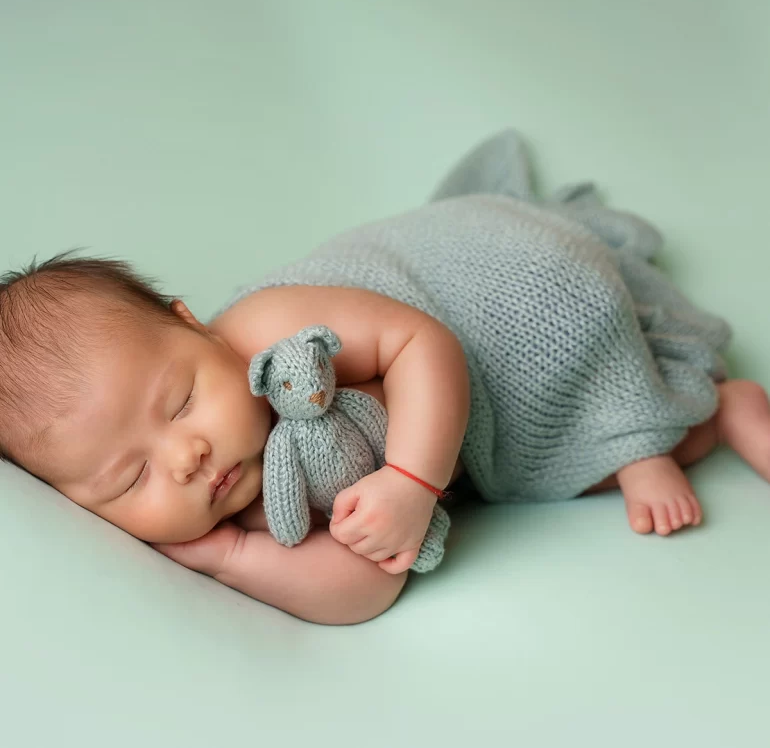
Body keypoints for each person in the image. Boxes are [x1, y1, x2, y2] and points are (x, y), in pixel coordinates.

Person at [2, 132, 768, 625]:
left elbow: (420, 340)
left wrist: (410, 480)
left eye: (181, 401)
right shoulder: (228, 517)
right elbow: (369, 587)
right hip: (465, 431)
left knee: (551, 403)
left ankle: (673, 416)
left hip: (486, 294)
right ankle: (715, 419)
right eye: (128, 478)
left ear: (194, 323)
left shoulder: (268, 333)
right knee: (538, 469)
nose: (185, 458)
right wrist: (232, 559)